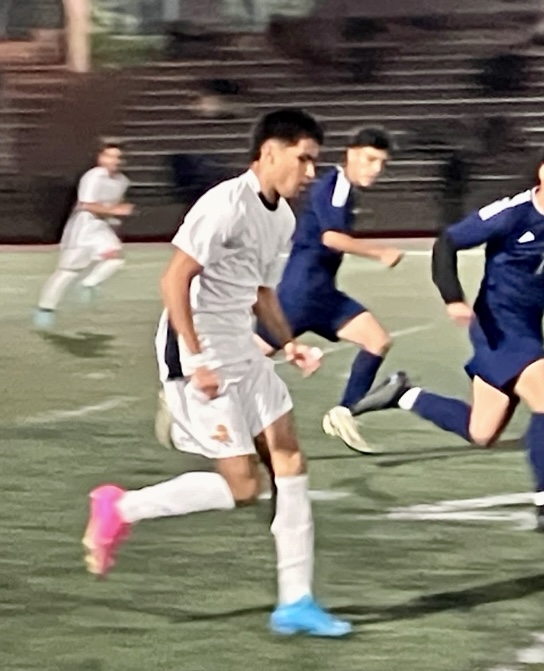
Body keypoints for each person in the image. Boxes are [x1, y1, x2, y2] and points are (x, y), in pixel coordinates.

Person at [82, 109, 351, 638]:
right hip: (197, 351)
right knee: (243, 486)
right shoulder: (225, 204)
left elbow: (262, 292)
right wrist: (198, 356)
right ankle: (121, 507)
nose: (310, 173)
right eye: (304, 159)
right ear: (269, 152)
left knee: (290, 456)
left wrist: (291, 344)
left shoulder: (283, 220)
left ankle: (296, 601)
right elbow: (173, 280)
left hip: (244, 350)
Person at [350, 136, 544, 533]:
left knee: (482, 432)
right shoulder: (513, 213)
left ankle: (403, 394)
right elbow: (447, 242)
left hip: (526, 327)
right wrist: (453, 298)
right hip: (497, 325)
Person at [254, 127, 403, 454]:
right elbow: (331, 238)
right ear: (350, 153)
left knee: (377, 340)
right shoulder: (335, 187)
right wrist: (379, 252)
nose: (376, 168)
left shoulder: (345, 190)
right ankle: (188, 392)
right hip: (300, 294)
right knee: (247, 359)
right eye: (370, 159)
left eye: (381, 162)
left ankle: (343, 413)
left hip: (322, 295)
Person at [34, 139, 133, 330]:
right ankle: (45, 309)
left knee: (115, 258)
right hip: (84, 227)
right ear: (101, 158)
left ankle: (89, 284)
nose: (115, 161)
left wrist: (117, 212)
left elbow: (115, 204)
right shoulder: (93, 176)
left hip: (101, 227)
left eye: (118, 157)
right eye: (110, 156)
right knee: (68, 272)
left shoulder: (122, 181)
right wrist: (116, 210)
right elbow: (86, 204)